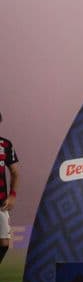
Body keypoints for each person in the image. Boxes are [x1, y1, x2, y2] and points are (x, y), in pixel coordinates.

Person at [0, 112, 19, 267]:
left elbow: (15, 172)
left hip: (0, 202)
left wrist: (12, 195)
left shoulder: (5, 145)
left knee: (4, 243)